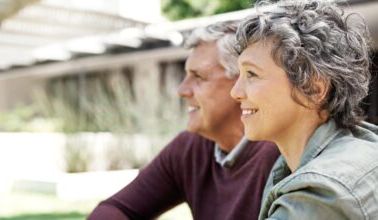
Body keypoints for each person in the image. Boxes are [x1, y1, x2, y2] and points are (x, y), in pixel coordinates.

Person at [87, 21, 279, 220]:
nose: (182, 90)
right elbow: (117, 209)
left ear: (242, 81)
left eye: (198, 77)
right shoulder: (190, 148)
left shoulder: (280, 152)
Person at [230, 0, 378, 219]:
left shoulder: (320, 193)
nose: (235, 92)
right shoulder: (362, 146)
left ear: (314, 89)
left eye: (252, 74)